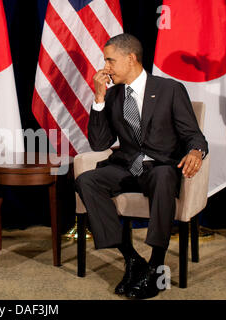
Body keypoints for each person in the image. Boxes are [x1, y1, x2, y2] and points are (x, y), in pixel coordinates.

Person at [75, 33, 208, 299]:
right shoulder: (113, 97)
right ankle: (132, 258)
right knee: (86, 181)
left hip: (160, 168)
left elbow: (193, 134)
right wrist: (99, 98)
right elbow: (100, 143)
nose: (106, 67)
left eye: (110, 60)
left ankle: (156, 266)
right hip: (126, 167)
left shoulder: (169, 89)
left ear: (131, 58)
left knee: (163, 176)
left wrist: (196, 151)